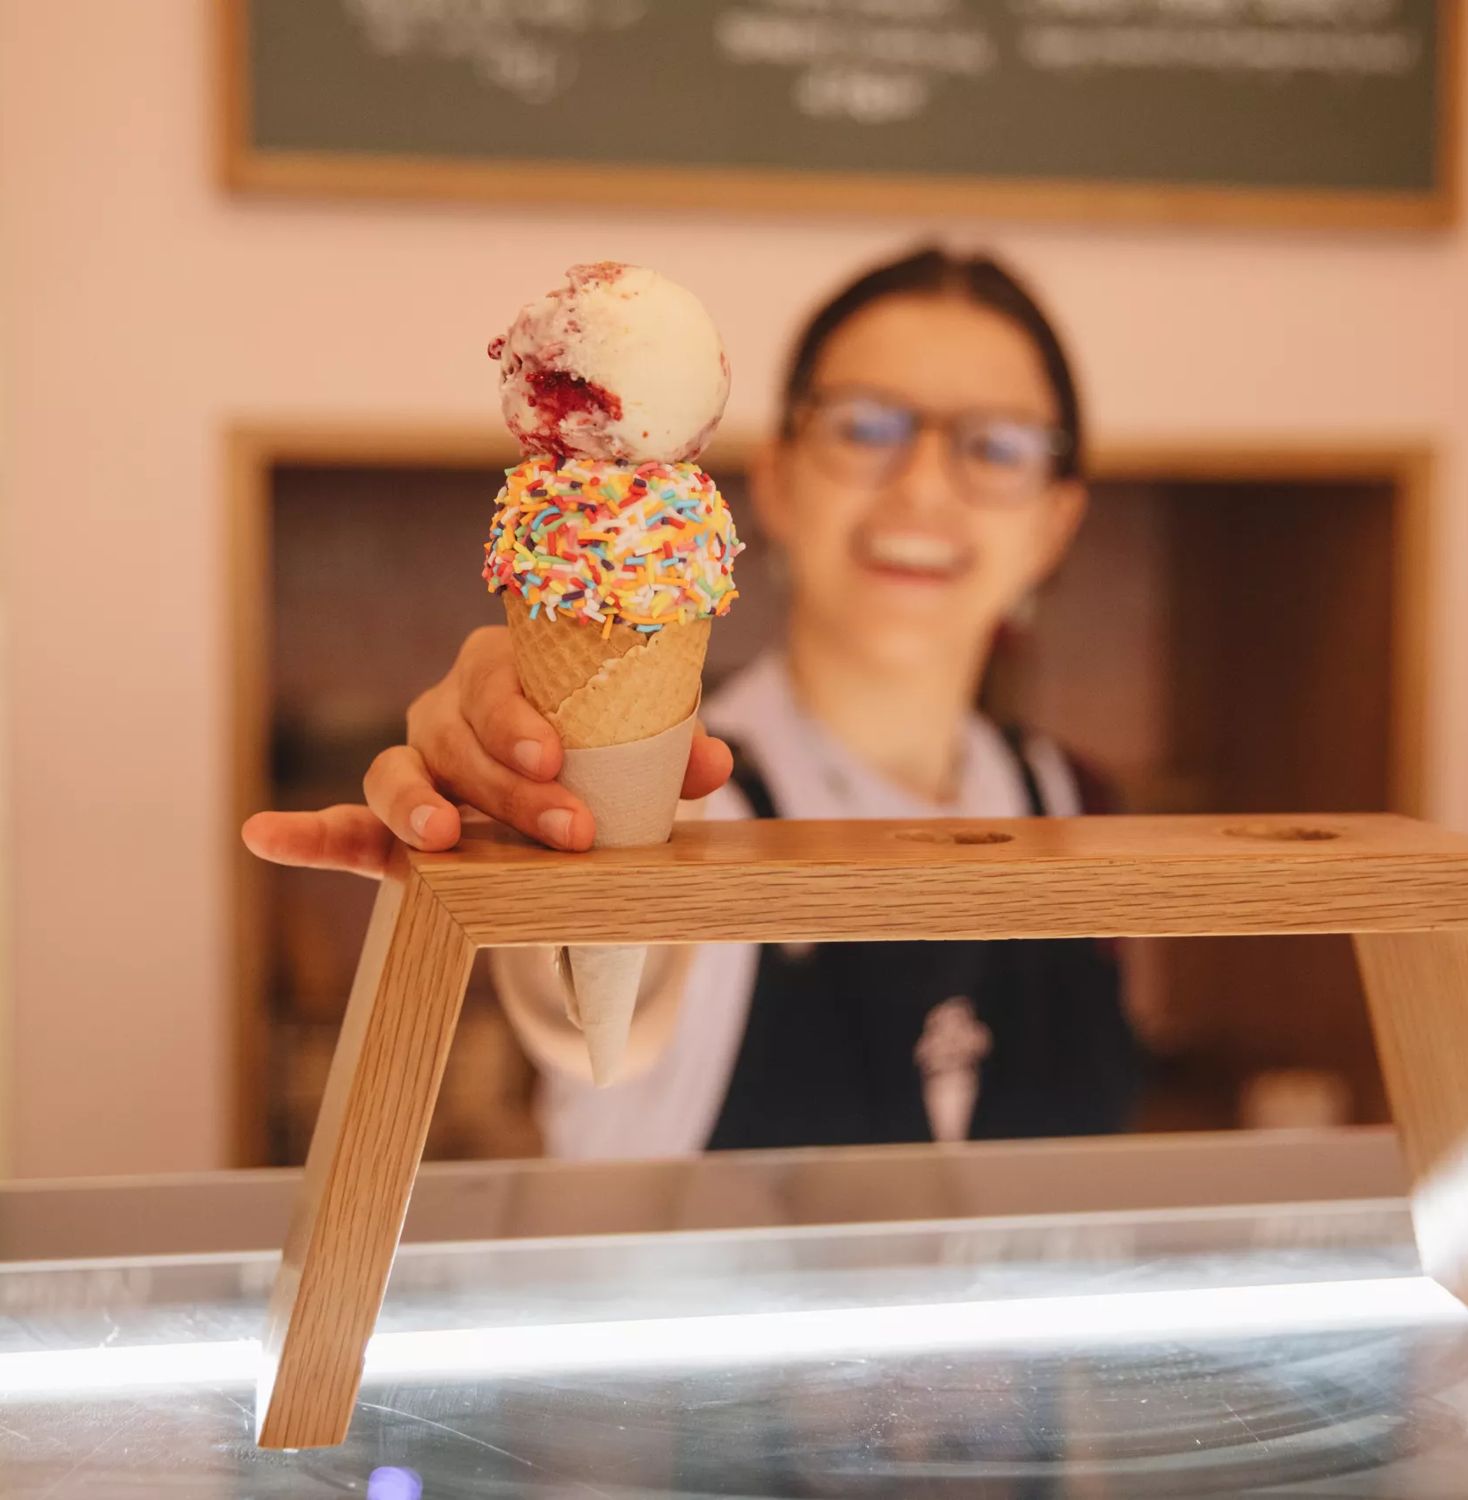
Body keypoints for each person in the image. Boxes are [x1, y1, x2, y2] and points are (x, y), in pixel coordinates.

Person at [244, 245, 1139, 1159]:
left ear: (1056, 521)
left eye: (996, 445)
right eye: (867, 426)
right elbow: (604, 1036)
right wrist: (541, 837)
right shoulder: (701, 799)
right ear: (778, 480)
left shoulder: (1075, 804)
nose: (921, 485)